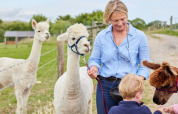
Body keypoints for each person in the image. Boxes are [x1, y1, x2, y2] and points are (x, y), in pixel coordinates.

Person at [87, 0, 150, 113]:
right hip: (105, 86)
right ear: (108, 19)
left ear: (126, 15)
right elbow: (95, 59)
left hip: (129, 87)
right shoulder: (101, 36)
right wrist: (93, 69)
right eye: (115, 20)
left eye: (122, 19)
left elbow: (145, 65)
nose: (120, 23)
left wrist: (137, 82)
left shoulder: (139, 36)